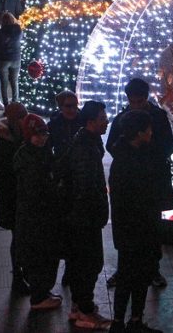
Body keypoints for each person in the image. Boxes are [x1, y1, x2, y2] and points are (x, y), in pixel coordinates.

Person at [105, 78, 173, 288]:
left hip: (151, 180)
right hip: (130, 184)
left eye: (140, 100)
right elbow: (112, 146)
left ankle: (153, 269)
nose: (136, 104)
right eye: (133, 101)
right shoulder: (122, 118)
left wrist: (148, 151)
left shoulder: (157, 117)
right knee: (126, 228)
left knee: (151, 227)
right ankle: (124, 268)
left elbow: (168, 145)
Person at [108, 110, 163, 333]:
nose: (152, 133)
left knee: (138, 275)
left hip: (136, 227)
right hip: (135, 228)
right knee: (131, 275)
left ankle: (133, 320)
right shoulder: (128, 160)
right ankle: (123, 322)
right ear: (139, 133)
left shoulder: (135, 153)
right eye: (148, 130)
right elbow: (131, 198)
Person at [65, 100, 114, 328]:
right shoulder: (85, 147)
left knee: (82, 262)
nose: (106, 122)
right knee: (89, 263)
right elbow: (85, 185)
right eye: (103, 118)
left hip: (82, 216)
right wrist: (93, 212)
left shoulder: (87, 141)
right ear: (91, 122)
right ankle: (85, 310)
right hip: (84, 217)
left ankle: (79, 306)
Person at [13, 114, 64, 311]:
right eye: (38, 134)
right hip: (36, 218)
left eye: (44, 133)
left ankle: (42, 292)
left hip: (41, 216)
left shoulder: (39, 153)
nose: (42, 137)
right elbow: (37, 189)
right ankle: (39, 297)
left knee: (45, 256)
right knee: (40, 257)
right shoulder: (29, 159)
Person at [0, 101, 28, 294]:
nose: (24, 120)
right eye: (21, 117)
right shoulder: (4, 144)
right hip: (14, 200)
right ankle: (18, 275)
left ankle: (23, 273)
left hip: (24, 198)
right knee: (18, 237)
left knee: (23, 237)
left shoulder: (24, 137)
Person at [0, 12, 23, 108]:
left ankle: (6, 105)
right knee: (15, 81)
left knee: (4, 83)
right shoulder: (19, 30)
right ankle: (15, 102)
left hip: (2, 59)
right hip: (16, 58)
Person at [49, 90, 84, 161]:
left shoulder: (85, 122)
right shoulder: (53, 124)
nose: (73, 109)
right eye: (68, 106)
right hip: (61, 168)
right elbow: (46, 147)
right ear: (60, 107)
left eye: (75, 105)